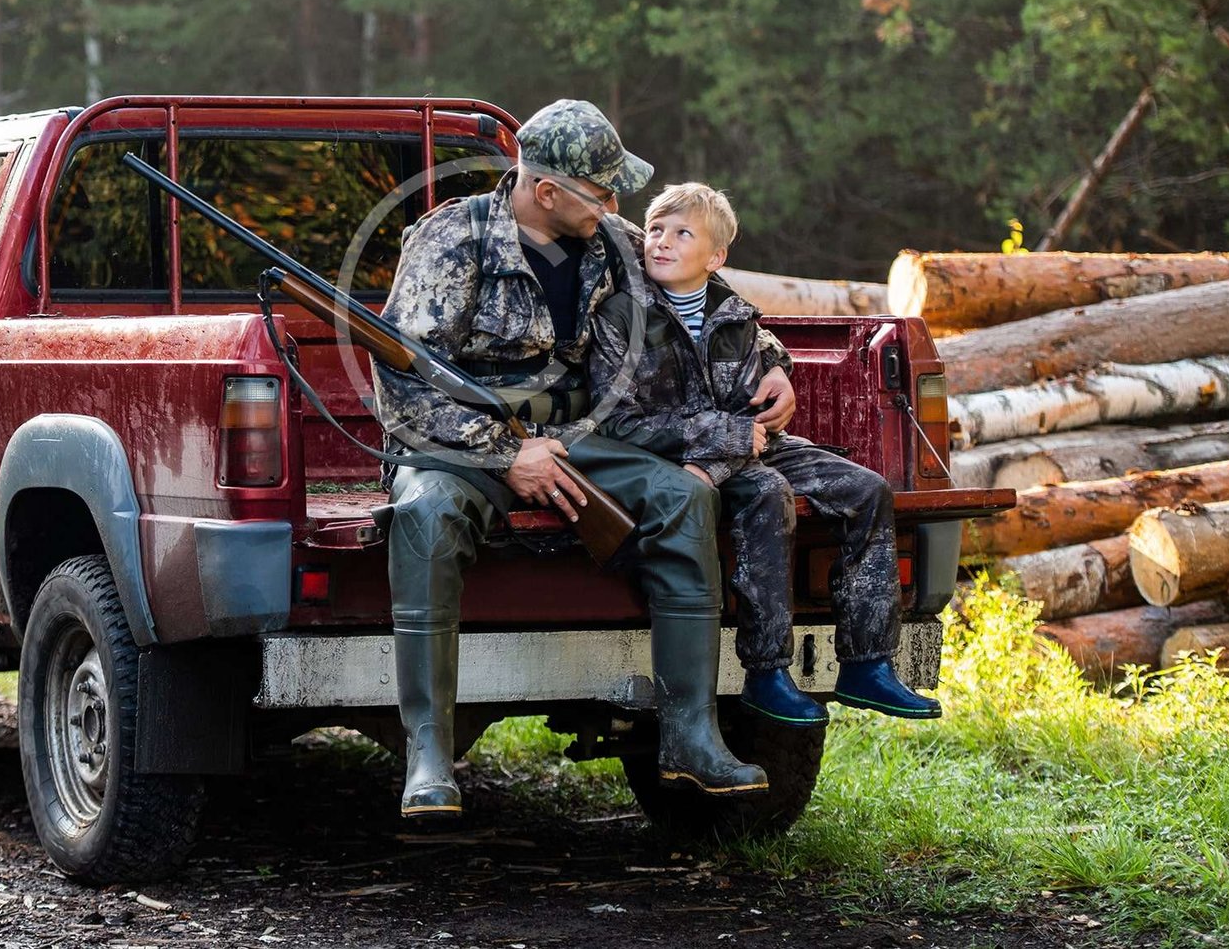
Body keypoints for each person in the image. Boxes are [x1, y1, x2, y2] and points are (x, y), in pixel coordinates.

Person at [370, 101, 765, 822]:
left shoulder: (610, 239)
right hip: (459, 441)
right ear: (546, 191)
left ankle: (690, 738)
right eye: (601, 191)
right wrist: (506, 455)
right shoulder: (451, 239)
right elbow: (401, 386)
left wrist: (774, 363)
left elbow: (705, 296)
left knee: (684, 497)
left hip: (575, 434)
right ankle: (428, 756)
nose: (616, 206)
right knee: (425, 516)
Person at [586, 182, 941, 728]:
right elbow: (617, 422)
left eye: (682, 234)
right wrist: (724, 439)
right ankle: (767, 672)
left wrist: (748, 421)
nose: (661, 242)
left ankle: (867, 663)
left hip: (747, 449)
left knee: (867, 490)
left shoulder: (733, 314)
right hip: (675, 458)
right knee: (767, 494)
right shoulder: (621, 316)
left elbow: (754, 409)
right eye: (655, 230)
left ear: (715, 257)